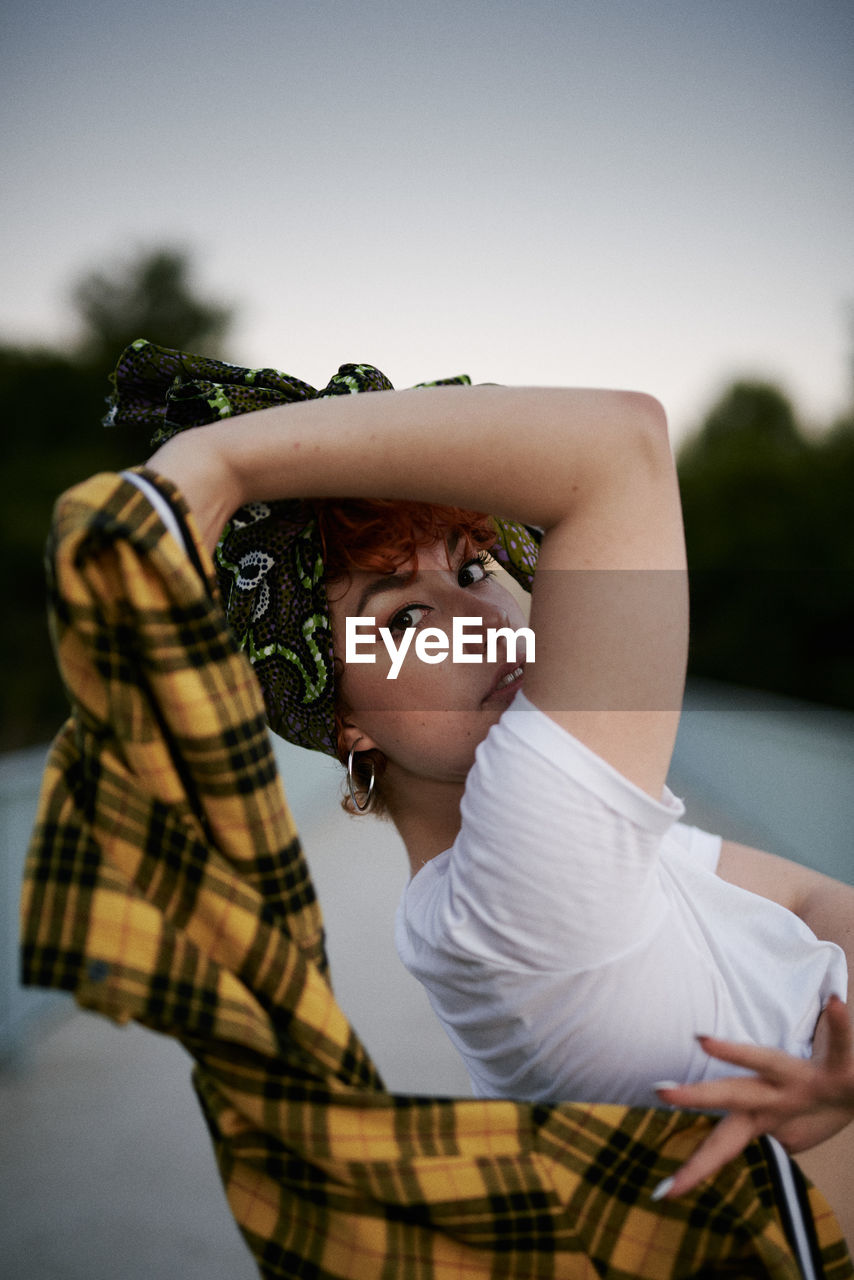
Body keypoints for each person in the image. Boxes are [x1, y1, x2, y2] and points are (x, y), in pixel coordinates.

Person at [112, 341, 852, 1239]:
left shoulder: (562, 864)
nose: (482, 621)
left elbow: (818, 897)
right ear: (344, 725)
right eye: (405, 616)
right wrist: (226, 458)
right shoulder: (523, 875)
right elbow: (624, 445)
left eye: (472, 569)